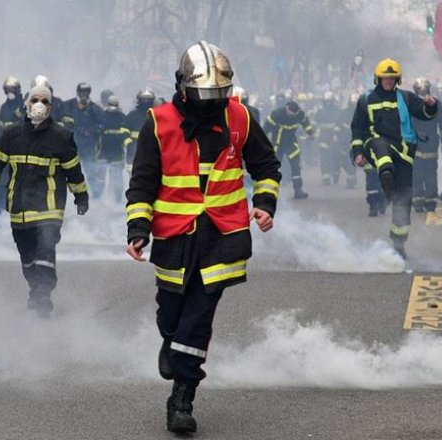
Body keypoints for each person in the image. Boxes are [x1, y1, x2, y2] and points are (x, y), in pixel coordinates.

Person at [125, 41, 280, 434]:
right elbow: (142, 183)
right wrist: (138, 228)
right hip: (174, 237)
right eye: (204, 94)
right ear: (183, 87)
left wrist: (264, 203)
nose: (212, 102)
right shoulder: (157, 122)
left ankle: (182, 399)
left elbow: (266, 166)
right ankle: (171, 340)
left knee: (199, 315)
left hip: (223, 235)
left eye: (218, 94)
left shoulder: (240, 118)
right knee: (172, 312)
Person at [0, 85, 89, 318]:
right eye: (35, 100)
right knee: (27, 257)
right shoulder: (11, 135)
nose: (39, 104)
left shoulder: (61, 137)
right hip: (19, 208)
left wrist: (81, 196)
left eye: (44, 101)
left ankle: (44, 292)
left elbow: (74, 172)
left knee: (45, 249)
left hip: (49, 208)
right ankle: (35, 287)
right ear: (26, 104)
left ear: (50, 106)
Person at [350, 58, 439, 258]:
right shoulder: (366, 100)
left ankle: (399, 243)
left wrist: (431, 106)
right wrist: (356, 153)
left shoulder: (406, 98)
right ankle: (386, 179)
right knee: (382, 150)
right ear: (378, 79)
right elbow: (357, 128)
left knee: (404, 199)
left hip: (404, 152)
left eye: (391, 78)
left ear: (396, 79)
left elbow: (425, 113)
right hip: (376, 145)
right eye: (385, 78)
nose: (388, 81)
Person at [410, 78, 442, 213]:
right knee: (418, 175)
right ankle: (419, 202)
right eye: (420, 90)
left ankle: (429, 202)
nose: (422, 92)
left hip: (429, 144)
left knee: (429, 174)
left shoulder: (435, 103)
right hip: (418, 144)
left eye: (424, 89)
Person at [265, 95, 315, 199]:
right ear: (287, 109)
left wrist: (310, 133)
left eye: (294, 115)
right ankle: (271, 192)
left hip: (291, 143)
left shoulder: (300, 114)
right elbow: (266, 128)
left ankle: (298, 191)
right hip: (277, 144)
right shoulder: (277, 114)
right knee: (274, 168)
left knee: (296, 167)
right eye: (290, 114)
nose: (292, 117)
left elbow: (306, 123)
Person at [63, 82, 104, 197]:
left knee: (90, 170)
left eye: (86, 92)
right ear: (78, 92)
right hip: (70, 144)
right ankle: (68, 197)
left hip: (87, 145)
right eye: (82, 92)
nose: (84, 94)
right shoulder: (69, 105)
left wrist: (92, 130)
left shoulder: (94, 108)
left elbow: (102, 123)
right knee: (68, 170)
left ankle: (97, 196)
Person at [97, 95, 131, 204]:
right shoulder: (102, 116)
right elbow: (97, 132)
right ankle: (98, 196)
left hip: (117, 150)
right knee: (100, 174)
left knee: (117, 176)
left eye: (114, 105)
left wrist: (120, 139)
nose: (112, 107)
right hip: (103, 150)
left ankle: (117, 197)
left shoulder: (122, 117)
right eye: (111, 105)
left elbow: (126, 132)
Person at [124, 87, 156, 172]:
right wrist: (129, 142)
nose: (146, 102)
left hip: (152, 150)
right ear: (139, 100)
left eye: (148, 100)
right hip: (133, 151)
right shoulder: (132, 115)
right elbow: (123, 130)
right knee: (133, 173)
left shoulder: (156, 115)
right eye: (143, 100)